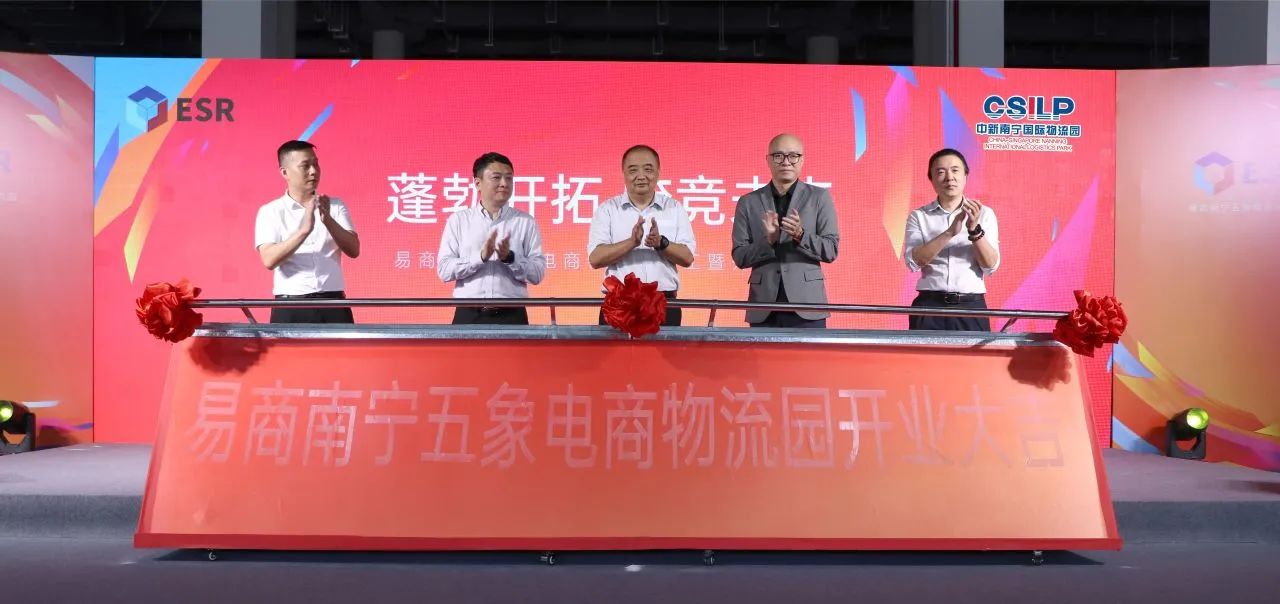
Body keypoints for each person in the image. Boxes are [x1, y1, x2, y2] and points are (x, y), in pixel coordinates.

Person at [731, 133, 840, 327]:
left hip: (808, 305)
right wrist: (768, 242)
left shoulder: (819, 197)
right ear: (768, 160)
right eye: (778, 156)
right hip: (763, 307)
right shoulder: (748, 202)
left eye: (793, 156)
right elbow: (740, 256)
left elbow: (831, 250)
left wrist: (801, 235)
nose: (786, 162)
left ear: (802, 159)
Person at [587, 145, 696, 326]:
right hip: (619, 303)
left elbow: (687, 258)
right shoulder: (607, 209)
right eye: (633, 170)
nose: (641, 176)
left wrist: (661, 243)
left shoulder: (674, 208)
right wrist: (631, 243)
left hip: (664, 303)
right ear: (623, 173)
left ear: (658, 172)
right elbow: (595, 259)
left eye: (648, 169)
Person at [254, 140, 360, 323]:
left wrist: (328, 221)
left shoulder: (335, 206)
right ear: (285, 172)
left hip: (333, 303)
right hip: (290, 306)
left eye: (316, 164)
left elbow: (354, 250)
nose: (313, 171)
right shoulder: (270, 211)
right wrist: (303, 231)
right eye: (305, 166)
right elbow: (269, 259)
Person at [437, 152, 546, 325]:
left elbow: (537, 274)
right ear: (477, 183)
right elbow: (444, 270)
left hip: (512, 315)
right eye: (496, 177)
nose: (504, 183)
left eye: (509, 178)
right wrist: (480, 258)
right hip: (468, 314)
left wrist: (510, 258)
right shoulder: (458, 220)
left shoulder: (525, 221)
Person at [903, 148, 1001, 331]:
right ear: (931, 179)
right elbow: (914, 262)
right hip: (929, 306)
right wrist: (949, 233)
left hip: (971, 307)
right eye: (941, 172)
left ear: (965, 176)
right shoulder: (919, 216)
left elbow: (991, 266)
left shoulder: (984, 214)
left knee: (973, 352)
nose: (949, 178)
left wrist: (974, 230)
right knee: (922, 351)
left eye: (955, 170)